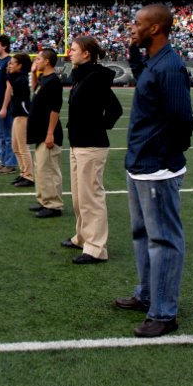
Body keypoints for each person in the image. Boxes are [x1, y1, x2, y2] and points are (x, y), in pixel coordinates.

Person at [114, 4, 193, 339]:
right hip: (141, 164)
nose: (132, 28)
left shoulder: (171, 67)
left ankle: (164, 312)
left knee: (162, 239)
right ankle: (147, 293)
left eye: (138, 24)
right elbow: (142, 75)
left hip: (157, 168)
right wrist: (133, 48)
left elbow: (182, 118)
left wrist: (167, 153)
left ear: (157, 28)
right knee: (142, 235)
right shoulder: (154, 62)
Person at [63, 36, 122, 264]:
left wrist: (98, 126)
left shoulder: (95, 77)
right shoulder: (83, 76)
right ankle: (82, 237)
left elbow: (114, 109)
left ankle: (97, 248)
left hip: (91, 145)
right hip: (78, 143)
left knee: (91, 198)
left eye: (74, 49)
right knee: (79, 197)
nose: (70, 52)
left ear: (86, 53)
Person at [27, 48, 64, 218]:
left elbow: (55, 109)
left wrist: (50, 133)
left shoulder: (54, 81)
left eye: (38, 59)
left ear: (47, 61)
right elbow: (35, 90)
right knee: (40, 169)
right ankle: (43, 200)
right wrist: (33, 73)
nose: (36, 61)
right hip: (40, 130)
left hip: (48, 132)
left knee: (48, 169)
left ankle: (53, 205)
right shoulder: (44, 78)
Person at [0, 53, 34, 187]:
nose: (10, 65)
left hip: (22, 115)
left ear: (20, 65)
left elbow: (15, 93)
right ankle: (23, 172)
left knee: (22, 147)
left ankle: (29, 176)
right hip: (17, 115)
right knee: (15, 146)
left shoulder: (21, 79)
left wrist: (9, 79)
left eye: (13, 63)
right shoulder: (16, 77)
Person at [0, 35, 18, 174]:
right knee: (2, 136)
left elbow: (9, 87)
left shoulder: (8, 62)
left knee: (8, 136)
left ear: (4, 46)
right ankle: (3, 161)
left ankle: (11, 164)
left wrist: (3, 107)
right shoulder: (1, 62)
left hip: (5, 105)